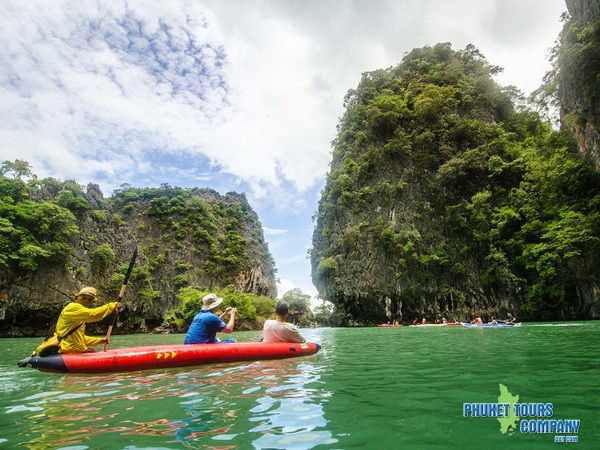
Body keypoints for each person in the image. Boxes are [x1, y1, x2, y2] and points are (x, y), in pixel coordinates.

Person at [54, 287, 121, 354]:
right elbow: (93, 315)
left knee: (92, 350)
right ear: (77, 297)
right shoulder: (72, 307)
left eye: (90, 299)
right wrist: (112, 306)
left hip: (73, 348)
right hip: (68, 350)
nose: (86, 301)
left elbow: (80, 338)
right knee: (92, 351)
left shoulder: (79, 316)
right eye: (84, 298)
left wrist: (100, 340)